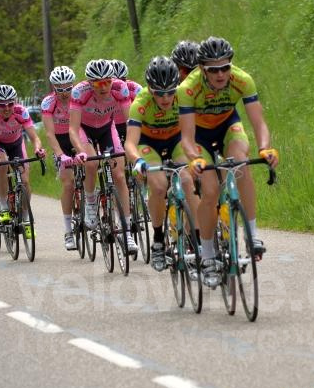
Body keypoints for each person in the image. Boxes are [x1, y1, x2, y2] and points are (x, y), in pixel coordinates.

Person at [177, 36, 280, 286]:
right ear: (202, 69)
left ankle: (252, 236)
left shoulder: (242, 79)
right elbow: (187, 138)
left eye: (225, 67)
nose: (221, 74)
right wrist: (194, 159)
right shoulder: (188, 88)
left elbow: (258, 122)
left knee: (241, 163)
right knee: (210, 192)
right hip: (199, 135)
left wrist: (265, 148)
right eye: (214, 70)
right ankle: (209, 255)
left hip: (227, 127)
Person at [125, 56, 197, 271]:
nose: (165, 98)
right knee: (158, 186)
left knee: (187, 180)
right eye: (159, 93)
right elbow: (130, 142)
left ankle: (192, 237)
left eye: (170, 92)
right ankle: (157, 240)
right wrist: (137, 161)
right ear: (149, 88)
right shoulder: (140, 103)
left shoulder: (184, 97)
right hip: (149, 145)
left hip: (176, 141)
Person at [68, 59, 137, 253]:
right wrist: (80, 151)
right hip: (85, 130)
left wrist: (131, 146)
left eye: (107, 81)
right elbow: (72, 129)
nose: (104, 86)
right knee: (91, 164)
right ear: (90, 83)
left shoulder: (119, 88)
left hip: (108, 128)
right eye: (99, 83)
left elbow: (131, 121)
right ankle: (90, 205)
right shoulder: (79, 92)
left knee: (120, 176)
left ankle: (127, 233)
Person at [0, 84, 46, 239]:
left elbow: (35, 137)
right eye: (2, 105)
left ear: (15, 102)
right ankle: (3, 206)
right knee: (2, 162)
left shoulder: (21, 112)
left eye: (10, 104)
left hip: (16, 143)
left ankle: (26, 218)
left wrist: (38, 149)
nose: (6, 108)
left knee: (24, 181)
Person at [41, 65, 78, 250]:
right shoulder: (49, 102)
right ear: (54, 88)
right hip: (60, 141)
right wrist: (60, 155)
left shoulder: (79, 97)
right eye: (60, 89)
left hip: (78, 137)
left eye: (68, 87)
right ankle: (68, 231)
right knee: (68, 183)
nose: (65, 92)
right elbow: (49, 134)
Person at [109, 59, 142, 144]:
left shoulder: (134, 88)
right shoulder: (101, 92)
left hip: (131, 123)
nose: (120, 85)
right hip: (110, 127)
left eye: (123, 79)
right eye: (115, 82)